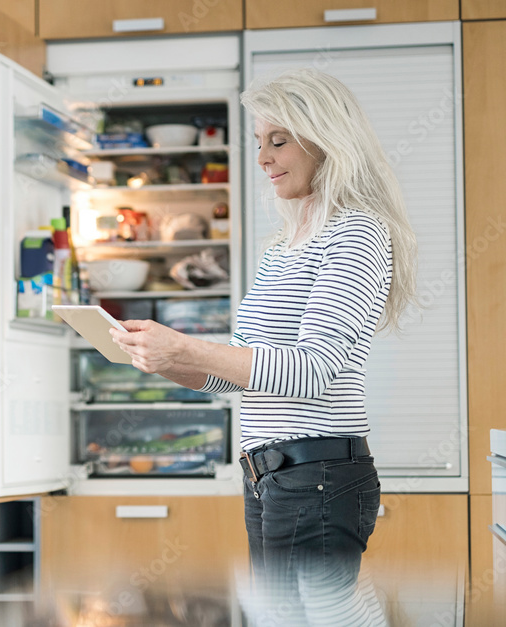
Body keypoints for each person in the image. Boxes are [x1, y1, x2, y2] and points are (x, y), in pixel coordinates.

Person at [110, 68, 417, 626]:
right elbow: (241, 374)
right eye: (258, 142)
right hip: (268, 476)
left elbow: (311, 371)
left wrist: (188, 347)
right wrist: (163, 358)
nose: (263, 158)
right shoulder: (283, 249)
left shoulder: (357, 233)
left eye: (279, 140)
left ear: (328, 140)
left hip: (317, 474)